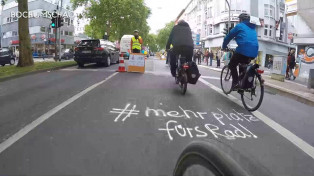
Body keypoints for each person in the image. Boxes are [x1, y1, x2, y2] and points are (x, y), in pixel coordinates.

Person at [222, 13, 259, 89]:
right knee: (243, 65)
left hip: (243, 50)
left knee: (232, 65)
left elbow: (228, 37)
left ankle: (235, 83)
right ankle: (243, 84)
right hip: (254, 51)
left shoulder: (239, 26)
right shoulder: (253, 28)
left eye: (239, 20)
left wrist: (224, 46)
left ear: (241, 20)